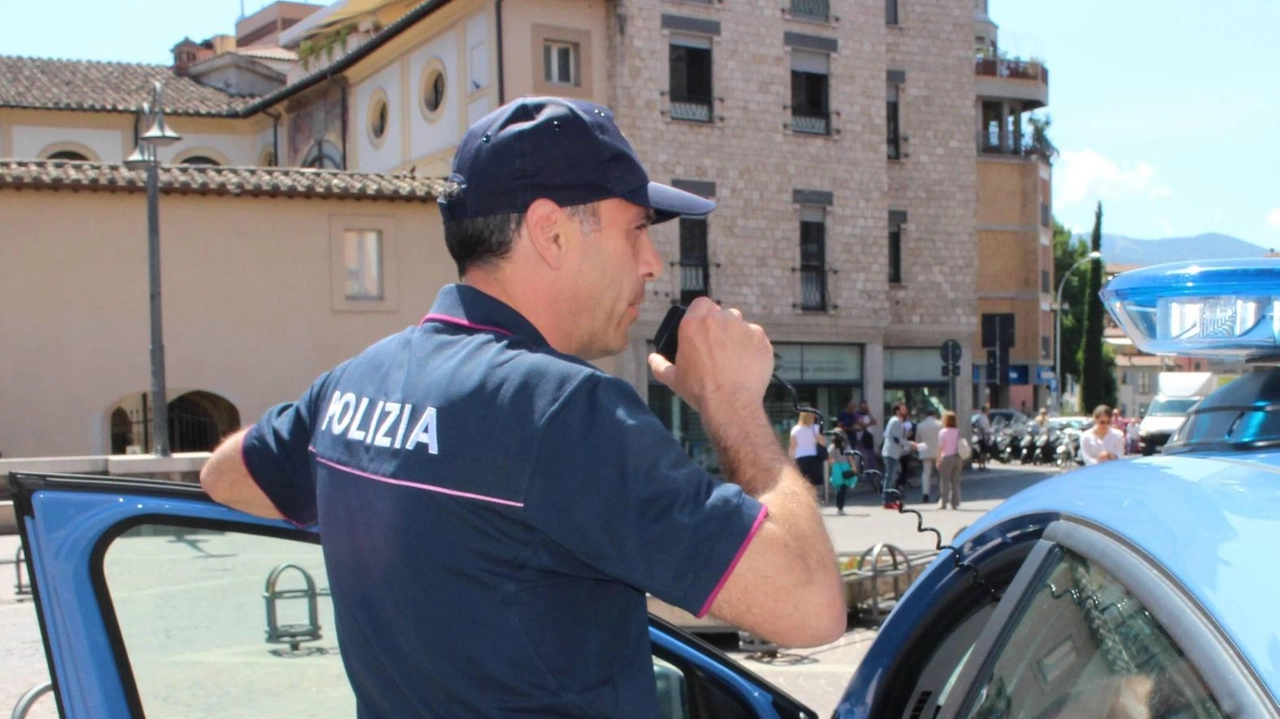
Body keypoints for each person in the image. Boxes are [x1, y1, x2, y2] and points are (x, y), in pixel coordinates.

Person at [198, 97, 845, 718]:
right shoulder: (566, 412)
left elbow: (223, 474)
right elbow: (811, 606)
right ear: (552, 233)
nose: (652, 263)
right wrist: (732, 406)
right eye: (638, 230)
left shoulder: (355, 382)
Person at [881, 402, 918, 509]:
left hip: (894, 453)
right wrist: (910, 443)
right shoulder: (896, 421)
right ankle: (887, 501)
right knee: (890, 477)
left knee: (892, 476)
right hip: (891, 453)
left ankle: (890, 500)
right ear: (897, 411)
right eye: (903, 408)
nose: (905, 410)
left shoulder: (897, 422)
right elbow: (897, 439)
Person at [789, 411, 827, 498]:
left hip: (800, 458)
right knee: (814, 483)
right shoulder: (816, 428)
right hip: (813, 457)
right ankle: (815, 499)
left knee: (803, 482)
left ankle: (805, 499)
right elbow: (823, 442)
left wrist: (791, 460)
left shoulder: (795, 429)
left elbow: (792, 447)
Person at [935, 411, 963, 510]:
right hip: (957, 457)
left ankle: (943, 503)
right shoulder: (958, 431)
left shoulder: (943, 432)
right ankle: (955, 503)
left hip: (946, 457)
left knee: (944, 481)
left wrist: (938, 459)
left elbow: (940, 447)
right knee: (955, 482)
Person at [916, 408, 943, 504]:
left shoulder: (920, 425)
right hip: (938, 452)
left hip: (925, 452)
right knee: (940, 474)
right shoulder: (940, 424)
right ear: (935, 414)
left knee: (926, 473)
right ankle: (940, 494)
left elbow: (918, 440)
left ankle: (925, 494)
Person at [827, 429, 856, 515]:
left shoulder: (832, 446)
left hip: (836, 467)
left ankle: (839, 507)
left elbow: (828, 458)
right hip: (845, 466)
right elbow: (850, 458)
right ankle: (840, 507)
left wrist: (832, 463)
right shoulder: (846, 446)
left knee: (838, 487)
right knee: (844, 487)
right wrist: (854, 467)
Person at [971, 404, 993, 470]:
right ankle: (980, 465)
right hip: (983, 437)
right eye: (988, 409)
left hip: (986, 436)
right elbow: (982, 428)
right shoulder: (982, 418)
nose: (989, 411)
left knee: (985, 452)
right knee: (982, 452)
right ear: (985, 410)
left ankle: (983, 465)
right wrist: (984, 437)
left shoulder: (985, 417)